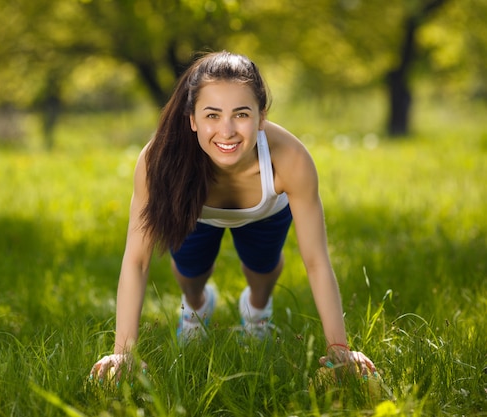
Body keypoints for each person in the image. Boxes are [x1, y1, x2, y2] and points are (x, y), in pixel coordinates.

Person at [90, 51, 376, 381]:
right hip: (195, 211)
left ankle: (256, 313)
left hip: (265, 215)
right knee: (191, 274)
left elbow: (315, 260)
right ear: (192, 119)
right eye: (212, 115)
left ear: (261, 117)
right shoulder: (159, 161)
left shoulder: (291, 159)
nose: (226, 131)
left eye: (241, 114)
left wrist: (338, 348)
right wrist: (123, 352)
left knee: (262, 272)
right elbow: (136, 261)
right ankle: (196, 308)